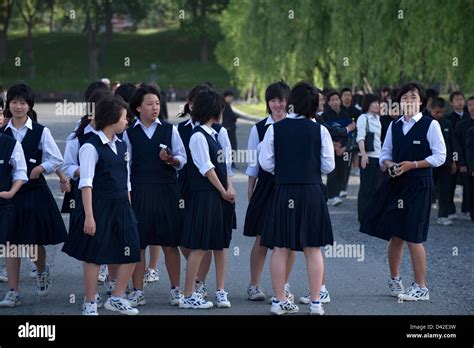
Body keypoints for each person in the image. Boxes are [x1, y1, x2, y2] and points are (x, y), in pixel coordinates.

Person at [360, 82, 446, 301]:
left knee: (414, 236)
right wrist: (389, 164)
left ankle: (421, 287)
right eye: (405, 98)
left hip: (419, 184)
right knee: (396, 235)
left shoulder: (430, 125)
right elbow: (383, 155)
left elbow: (440, 156)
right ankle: (395, 279)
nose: (409, 101)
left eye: (414, 98)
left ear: (421, 102)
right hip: (397, 184)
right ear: (399, 103)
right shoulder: (394, 125)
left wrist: (412, 165)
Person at [259, 82, 335, 315]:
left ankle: (278, 302)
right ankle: (315, 303)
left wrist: (286, 171)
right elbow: (329, 166)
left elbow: (266, 163)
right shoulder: (320, 130)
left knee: (280, 248)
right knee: (313, 249)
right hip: (312, 191)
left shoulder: (275, 128)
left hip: (284, 191)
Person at [62, 96, 141, 315]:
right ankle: (89, 302)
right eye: (125, 117)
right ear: (112, 119)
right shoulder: (90, 146)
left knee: (133, 249)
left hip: (122, 205)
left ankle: (116, 297)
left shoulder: (122, 144)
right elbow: (86, 183)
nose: (127, 121)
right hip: (97, 205)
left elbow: (125, 179)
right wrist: (89, 216)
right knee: (94, 255)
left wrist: (129, 203)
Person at [0, 84, 66, 307]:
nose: (18, 106)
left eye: (23, 102)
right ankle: (13, 291)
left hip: (33, 191)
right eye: (14, 102)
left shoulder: (40, 131)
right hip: (8, 194)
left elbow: (56, 158)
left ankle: (41, 270)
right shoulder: (2, 132)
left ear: (30, 105)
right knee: (10, 241)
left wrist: (40, 168)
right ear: (8, 104)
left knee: (33, 241)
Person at [123, 84, 187, 307]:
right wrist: (128, 193)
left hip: (167, 190)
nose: (154, 107)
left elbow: (182, 158)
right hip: (139, 191)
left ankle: (176, 289)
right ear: (138, 107)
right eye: (149, 104)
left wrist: (171, 159)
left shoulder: (170, 130)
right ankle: (138, 290)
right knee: (139, 243)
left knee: (170, 243)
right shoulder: (129, 134)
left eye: (157, 103)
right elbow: (126, 167)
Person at [179, 89, 235, 309]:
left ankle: (221, 290)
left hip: (219, 195)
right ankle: (188, 294)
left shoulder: (212, 134)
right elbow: (207, 168)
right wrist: (223, 190)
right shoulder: (198, 136)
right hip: (206, 196)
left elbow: (225, 165)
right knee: (199, 246)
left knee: (220, 245)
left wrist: (229, 188)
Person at [243, 81, 296, 302]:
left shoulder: (296, 125)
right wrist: (250, 192)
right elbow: (253, 165)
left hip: (291, 185)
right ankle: (254, 285)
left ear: (288, 102)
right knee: (262, 238)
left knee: (289, 239)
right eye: (272, 100)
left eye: (281, 100)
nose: (277, 104)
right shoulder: (259, 128)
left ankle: (282, 285)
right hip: (265, 186)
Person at [356, 93, 384, 222]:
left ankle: (373, 215)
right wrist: (363, 155)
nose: (377, 105)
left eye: (378, 102)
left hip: (378, 156)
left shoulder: (378, 119)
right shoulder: (363, 118)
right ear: (368, 104)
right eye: (374, 102)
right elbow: (360, 138)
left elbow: (379, 140)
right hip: (368, 157)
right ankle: (363, 217)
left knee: (377, 188)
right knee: (366, 188)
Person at [323, 91, 354, 206]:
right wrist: (333, 145)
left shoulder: (345, 115)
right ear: (329, 103)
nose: (335, 102)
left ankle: (337, 192)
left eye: (337, 99)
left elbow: (350, 133)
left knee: (342, 171)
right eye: (332, 100)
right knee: (332, 172)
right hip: (331, 148)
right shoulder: (325, 116)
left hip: (343, 149)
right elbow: (326, 132)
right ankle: (331, 196)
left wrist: (344, 147)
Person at [430, 97, 456, 225]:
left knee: (445, 189)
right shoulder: (426, 123)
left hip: (445, 162)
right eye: (437, 112)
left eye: (442, 112)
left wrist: (454, 161)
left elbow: (452, 143)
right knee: (428, 187)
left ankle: (443, 215)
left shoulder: (447, 123)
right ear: (431, 109)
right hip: (429, 162)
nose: (439, 115)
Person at [447, 91, 469, 220]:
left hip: (467, 156)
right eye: (456, 100)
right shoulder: (449, 119)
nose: (460, 102)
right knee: (451, 184)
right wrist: (454, 160)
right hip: (454, 155)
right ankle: (450, 209)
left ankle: (467, 209)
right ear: (451, 103)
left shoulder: (468, 117)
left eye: (461, 99)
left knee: (468, 185)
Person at [453, 96, 474, 220]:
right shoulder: (462, 125)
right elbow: (458, 146)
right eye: (470, 105)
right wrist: (460, 162)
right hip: (467, 162)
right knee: (469, 189)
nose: (473, 107)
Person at [222, 90, 238, 166]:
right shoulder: (225, 106)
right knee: (231, 145)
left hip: (229, 128)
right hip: (228, 128)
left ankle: (231, 161)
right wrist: (235, 116)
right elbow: (230, 116)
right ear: (225, 97)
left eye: (232, 96)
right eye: (230, 96)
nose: (232, 98)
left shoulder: (226, 105)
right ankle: (230, 162)